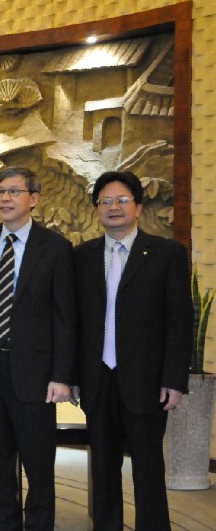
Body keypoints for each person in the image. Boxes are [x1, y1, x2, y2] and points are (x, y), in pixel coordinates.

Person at [73, 170, 192, 531]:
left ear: (138, 207)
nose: (114, 207)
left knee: (148, 469)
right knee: (103, 469)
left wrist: (174, 379)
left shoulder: (167, 254)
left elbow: (180, 320)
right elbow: (74, 322)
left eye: (122, 200)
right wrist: (73, 376)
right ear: (97, 209)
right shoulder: (81, 256)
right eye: (105, 201)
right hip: (98, 380)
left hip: (147, 381)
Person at [0, 167, 76, 530]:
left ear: (34, 199)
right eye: (1, 191)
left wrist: (62, 376)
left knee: (38, 465)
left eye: (14, 191)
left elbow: (65, 318)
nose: (5, 198)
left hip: (35, 374)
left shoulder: (56, 248)